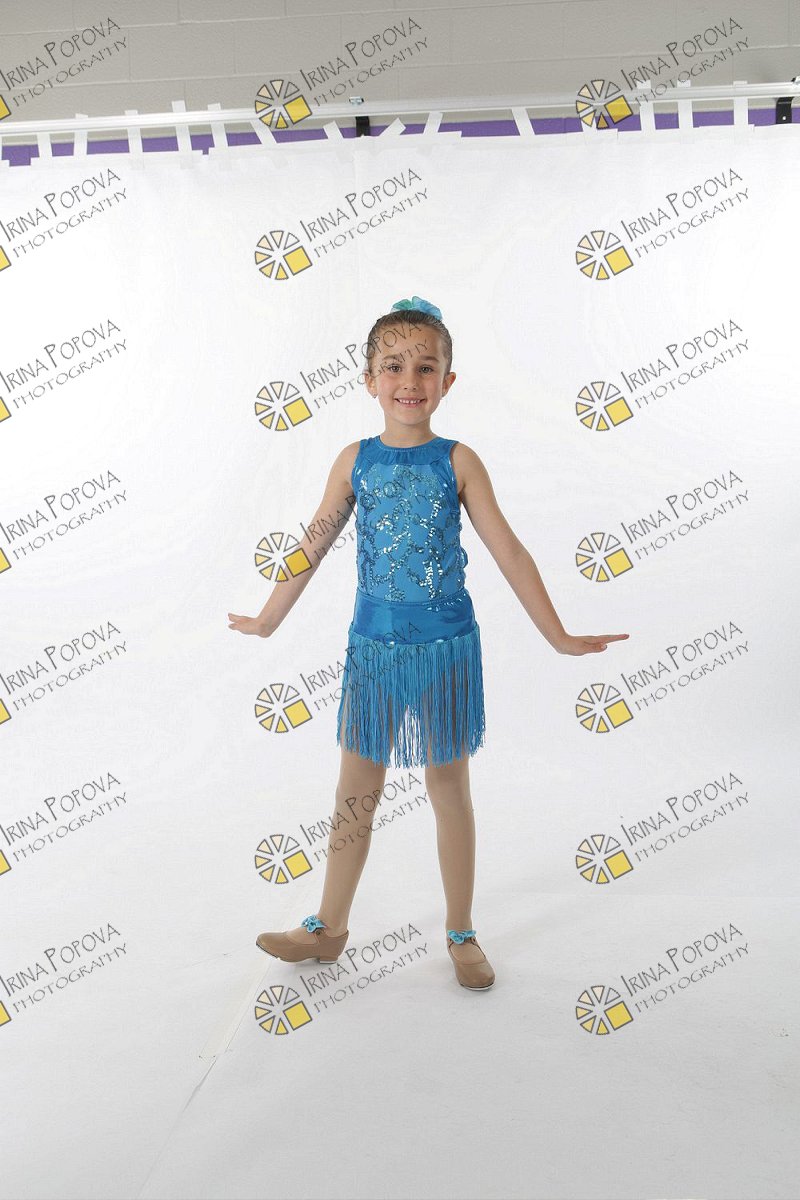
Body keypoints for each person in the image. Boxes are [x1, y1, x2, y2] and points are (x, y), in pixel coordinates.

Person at [228, 295, 629, 990]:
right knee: (356, 791)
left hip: (446, 649)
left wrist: (558, 636)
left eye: (425, 366)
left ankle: (461, 930)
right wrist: (269, 619)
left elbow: (508, 550)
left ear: (448, 380)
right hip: (374, 650)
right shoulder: (354, 461)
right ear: (368, 380)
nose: (409, 380)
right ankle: (328, 926)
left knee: (448, 787)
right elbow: (312, 543)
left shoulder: (459, 461)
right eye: (393, 366)